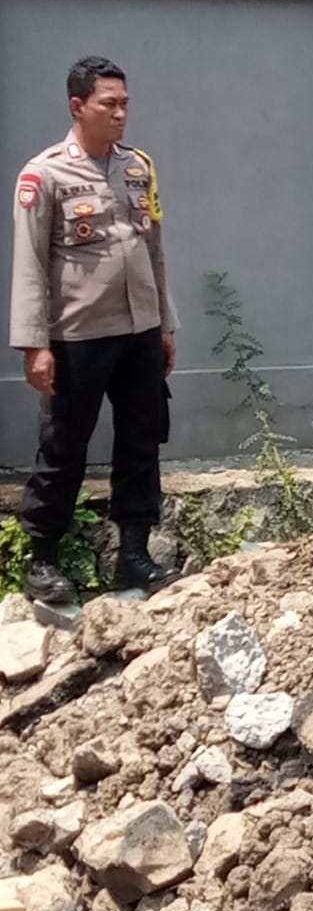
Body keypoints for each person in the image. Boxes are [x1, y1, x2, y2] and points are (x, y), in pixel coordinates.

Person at [9, 57, 181, 603]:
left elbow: (153, 250)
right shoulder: (46, 174)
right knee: (63, 447)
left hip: (140, 332)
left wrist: (166, 326)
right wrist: (35, 344)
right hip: (77, 336)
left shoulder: (138, 167)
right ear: (77, 106)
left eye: (125, 103)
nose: (121, 113)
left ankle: (134, 555)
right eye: (109, 103)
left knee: (140, 441)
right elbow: (30, 264)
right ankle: (43, 560)